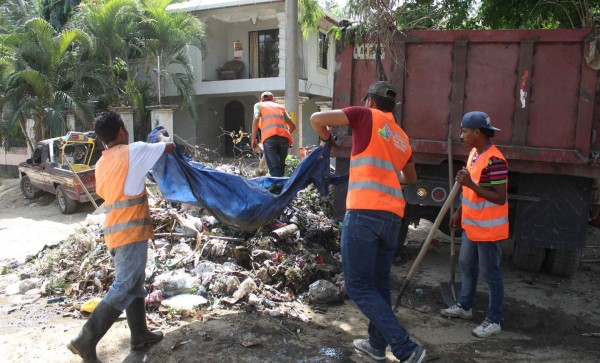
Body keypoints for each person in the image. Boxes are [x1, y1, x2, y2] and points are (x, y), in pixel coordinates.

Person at [310, 81, 426, 363]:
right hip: (392, 217)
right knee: (378, 284)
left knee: (358, 285)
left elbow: (316, 119)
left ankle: (405, 347)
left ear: (371, 102)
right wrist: (388, 177)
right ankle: (376, 345)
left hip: (364, 212)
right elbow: (410, 178)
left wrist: (326, 138)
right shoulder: (400, 136)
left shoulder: (365, 115)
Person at [67, 111, 175, 362]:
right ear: (120, 132)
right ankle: (85, 339)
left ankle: (139, 335)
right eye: (124, 128)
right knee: (125, 286)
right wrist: (161, 136)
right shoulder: (133, 151)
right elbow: (168, 148)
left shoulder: (102, 161)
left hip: (115, 232)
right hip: (130, 232)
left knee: (134, 284)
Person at [440, 111, 508, 339]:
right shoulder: (474, 154)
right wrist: (459, 212)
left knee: (491, 274)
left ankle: (493, 320)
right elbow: (469, 190)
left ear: (477, 132)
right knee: (467, 266)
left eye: (464, 131)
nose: (461, 135)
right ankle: (465, 307)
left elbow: (500, 197)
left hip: (488, 230)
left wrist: (469, 182)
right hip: (472, 225)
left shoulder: (495, 160)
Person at [251, 91, 296, 177]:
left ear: (261, 100)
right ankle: (282, 187)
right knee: (281, 167)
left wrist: (253, 139)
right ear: (273, 100)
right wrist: (285, 134)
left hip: (269, 138)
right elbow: (293, 126)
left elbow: (256, 117)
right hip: (284, 139)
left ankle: (276, 188)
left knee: (274, 168)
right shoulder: (280, 107)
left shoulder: (258, 105)